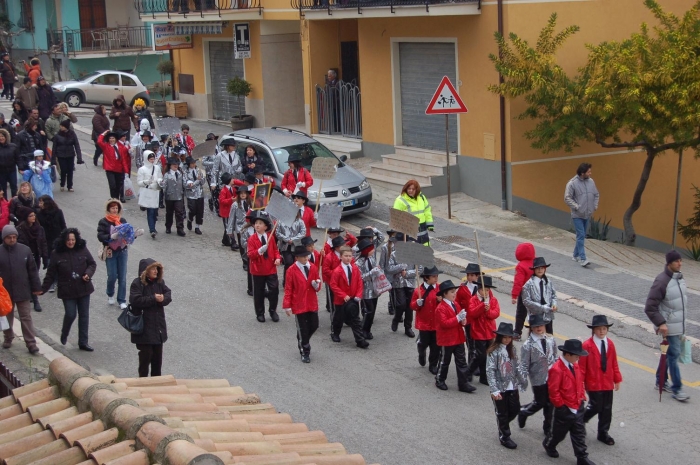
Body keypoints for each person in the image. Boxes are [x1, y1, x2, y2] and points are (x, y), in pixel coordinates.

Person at [644, 250, 689, 402]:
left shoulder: (680, 279)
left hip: (678, 326)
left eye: (681, 260)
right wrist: (661, 323)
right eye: (677, 261)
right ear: (669, 263)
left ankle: (661, 381)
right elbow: (650, 306)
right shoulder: (662, 281)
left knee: (670, 355)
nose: (680, 263)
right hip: (668, 327)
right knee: (674, 356)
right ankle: (677, 388)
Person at [41, 228, 96, 351]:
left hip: (83, 288)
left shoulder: (82, 249)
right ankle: (64, 332)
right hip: (67, 290)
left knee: (84, 315)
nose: (71, 242)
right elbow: (50, 274)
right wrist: (43, 289)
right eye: (68, 240)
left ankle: (83, 342)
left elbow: (92, 264)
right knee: (71, 314)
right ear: (64, 240)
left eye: (73, 240)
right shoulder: (56, 253)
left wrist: (88, 274)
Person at [543, 339, 596, 465]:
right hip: (565, 408)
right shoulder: (556, 369)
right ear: (568, 355)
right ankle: (549, 444)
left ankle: (582, 457)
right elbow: (553, 391)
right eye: (576, 355)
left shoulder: (574, 365)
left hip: (577, 405)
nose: (578, 358)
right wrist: (560, 406)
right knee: (558, 433)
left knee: (579, 433)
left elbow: (579, 382)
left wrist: (581, 395)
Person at [579, 315, 622, 445]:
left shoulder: (610, 344)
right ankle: (580, 420)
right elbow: (581, 367)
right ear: (593, 330)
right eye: (598, 329)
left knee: (607, 409)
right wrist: (580, 384)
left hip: (607, 382)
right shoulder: (587, 345)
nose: (602, 331)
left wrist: (617, 379)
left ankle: (603, 433)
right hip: (593, 382)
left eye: (604, 328)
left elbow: (613, 362)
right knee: (596, 406)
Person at [0, 224, 41, 353]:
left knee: (26, 317)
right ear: (4, 238)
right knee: (7, 316)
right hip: (5, 292)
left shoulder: (25, 250)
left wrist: (36, 288)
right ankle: (8, 337)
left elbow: (32, 271)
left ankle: (31, 343)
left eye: (14, 237)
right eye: (9, 237)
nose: (12, 240)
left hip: (22, 290)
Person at [129, 258, 172, 378]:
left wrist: (163, 298)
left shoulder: (159, 283)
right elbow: (135, 300)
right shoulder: (137, 284)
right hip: (144, 330)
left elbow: (168, 294)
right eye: (152, 269)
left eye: (156, 269)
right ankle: (142, 386)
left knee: (157, 363)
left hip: (158, 329)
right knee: (145, 360)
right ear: (145, 271)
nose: (155, 271)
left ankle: (156, 388)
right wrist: (153, 298)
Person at [487, 322, 526, 449]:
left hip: (512, 386)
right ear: (499, 337)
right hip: (499, 387)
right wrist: (494, 389)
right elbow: (490, 370)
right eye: (504, 337)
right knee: (502, 412)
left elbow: (517, 366)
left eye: (509, 337)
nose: (507, 340)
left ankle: (502, 424)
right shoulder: (493, 351)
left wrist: (522, 380)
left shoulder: (512, 349)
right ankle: (504, 436)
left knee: (515, 409)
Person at [97, 199, 142, 310]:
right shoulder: (103, 221)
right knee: (112, 275)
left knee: (122, 276)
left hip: (122, 250)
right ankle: (110, 293)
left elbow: (128, 235)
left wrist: (135, 234)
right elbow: (100, 236)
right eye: (112, 208)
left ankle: (121, 300)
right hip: (110, 251)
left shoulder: (122, 220)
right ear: (108, 209)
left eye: (116, 208)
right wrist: (110, 237)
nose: (115, 210)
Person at [518, 314, 557, 436]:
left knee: (550, 403)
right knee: (540, 401)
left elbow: (555, 357)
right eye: (535, 326)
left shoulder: (551, 340)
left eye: (540, 325)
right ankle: (524, 412)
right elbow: (524, 364)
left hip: (552, 376)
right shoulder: (528, 345)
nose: (539, 328)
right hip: (537, 378)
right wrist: (522, 380)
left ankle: (548, 427)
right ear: (531, 328)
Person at [434, 280, 476, 393]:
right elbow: (444, 323)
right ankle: (440, 379)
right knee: (444, 362)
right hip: (447, 340)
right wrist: (458, 318)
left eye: (454, 291)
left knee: (461, 362)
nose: (454, 294)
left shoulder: (455, 304)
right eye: (452, 292)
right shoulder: (440, 308)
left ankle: (463, 384)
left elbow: (461, 321)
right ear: (444, 294)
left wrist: (463, 320)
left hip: (458, 338)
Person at [283, 245, 321, 363]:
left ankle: (302, 339)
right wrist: (287, 305)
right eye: (303, 256)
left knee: (314, 325)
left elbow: (317, 284)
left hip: (311, 302)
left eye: (307, 255)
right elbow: (288, 288)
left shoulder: (313, 267)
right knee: (303, 328)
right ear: (297, 257)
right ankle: (305, 351)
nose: (306, 258)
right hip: (299, 303)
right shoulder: (291, 270)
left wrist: (316, 284)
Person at [329, 245, 368, 348]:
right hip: (341, 300)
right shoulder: (337, 271)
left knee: (355, 320)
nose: (348, 258)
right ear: (341, 257)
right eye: (346, 256)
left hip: (353, 298)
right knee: (339, 318)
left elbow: (359, 282)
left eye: (350, 256)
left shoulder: (355, 268)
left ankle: (360, 340)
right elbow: (333, 285)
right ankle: (335, 333)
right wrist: (343, 295)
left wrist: (359, 295)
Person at [248, 212, 281, 323]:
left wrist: (278, 258)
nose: (257, 225)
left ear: (265, 226)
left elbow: (275, 250)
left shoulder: (270, 237)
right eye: (256, 223)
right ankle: (260, 313)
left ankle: (273, 310)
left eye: (260, 223)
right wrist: (259, 251)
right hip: (258, 270)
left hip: (270, 268)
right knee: (258, 293)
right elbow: (250, 254)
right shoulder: (252, 239)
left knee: (274, 290)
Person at [467, 275, 501, 386]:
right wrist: (482, 307)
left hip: (490, 332)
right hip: (478, 332)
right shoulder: (474, 299)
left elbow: (495, 314)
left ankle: (484, 376)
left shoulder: (493, 300)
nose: (485, 292)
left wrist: (488, 311)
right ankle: (469, 371)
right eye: (482, 290)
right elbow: (472, 313)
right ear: (478, 289)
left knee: (488, 355)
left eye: (487, 290)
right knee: (480, 355)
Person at [564, 162, 599, 267]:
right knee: (581, 235)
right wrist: (576, 206)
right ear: (582, 173)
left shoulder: (591, 182)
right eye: (589, 171)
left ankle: (575, 255)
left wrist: (595, 206)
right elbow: (567, 198)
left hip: (587, 213)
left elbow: (596, 194)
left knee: (581, 236)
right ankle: (583, 258)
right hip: (577, 215)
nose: (590, 173)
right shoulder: (572, 183)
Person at [15, 207, 48, 312]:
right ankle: (34, 299)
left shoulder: (39, 228)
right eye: (30, 216)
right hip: (25, 257)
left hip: (36, 256)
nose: (33, 217)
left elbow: (43, 243)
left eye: (34, 215)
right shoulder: (19, 229)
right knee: (30, 277)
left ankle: (32, 296)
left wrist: (45, 256)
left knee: (34, 275)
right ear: (26, 217)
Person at [411, 265, 442, 374]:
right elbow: (412, 306)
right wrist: (417, 303)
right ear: (426, 278)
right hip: (424, 323)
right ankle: (421, 350)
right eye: (433, 276)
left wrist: (441, 300)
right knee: (424, 342)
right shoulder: (418, 291)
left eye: (436, 276)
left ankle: (433, 365)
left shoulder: (440, 289)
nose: (436, 278)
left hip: (436, 323)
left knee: (436, 345)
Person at [385, 232, 416, 337]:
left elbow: (419, 269)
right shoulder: (393, 254)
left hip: (410, 283)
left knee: (409, 306)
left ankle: (408, 327)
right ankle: (396, 318)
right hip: (398, 283)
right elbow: (389, 268)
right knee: (401, 304)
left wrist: (407, 273)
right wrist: (400, 267)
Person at [355, 238, 383, 340]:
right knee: (368, 311)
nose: (374, 250)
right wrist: (372, 272)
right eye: (371, 249)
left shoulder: (371, 259)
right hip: (365, 290)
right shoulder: (359, 262)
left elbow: (376, 270)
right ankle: (363, 330)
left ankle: (368, 330)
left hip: (374, 288)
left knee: (373, 311)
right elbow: (360, 277)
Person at [36, 195, 66, 292]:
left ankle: (59, 280)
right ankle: (52, 281)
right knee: (50, 262)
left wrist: (64, 238)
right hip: (46, 241)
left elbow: (63, 226)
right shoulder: (39, 215)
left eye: (41, 202)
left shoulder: (58, 212)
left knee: (60, 262)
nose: (39, 204)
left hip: (58, 240)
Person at [521, 257, 557, 334]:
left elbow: (553, 295)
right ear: (534, 270)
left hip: (548, 316)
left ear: (545, 269)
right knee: (536, 337)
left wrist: (554, 304)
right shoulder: (528, 285)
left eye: (542, 268)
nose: (540, 270)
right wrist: (542, 308)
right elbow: (526, 301)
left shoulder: (548, 282)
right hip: (535, 316)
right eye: (537, 268)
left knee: (549, 337)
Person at [455, 263, 481, 369]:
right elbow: (457, 303)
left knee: (479, 343)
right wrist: (461, 315)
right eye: (468, 275)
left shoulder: (482, 287)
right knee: (471, 343)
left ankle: (478, 364)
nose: (470, 277)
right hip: (468, 320)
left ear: (477, 276)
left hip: (480, 320)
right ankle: (471, 364)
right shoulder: (462, 288)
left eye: (472, 275)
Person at [393, 180, 434, 245]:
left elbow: (427, 210)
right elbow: (396, 217)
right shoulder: (400, 200)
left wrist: (430, 224)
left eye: (413, 189)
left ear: (417, 190)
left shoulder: (421, 197)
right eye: (409, 188)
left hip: (422, 230)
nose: (411, 190)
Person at [97, 130, 130, 200]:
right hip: (110, 169)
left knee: (118, 186)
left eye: (113, 138)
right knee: (112, 185)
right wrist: (103, 134)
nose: (111, 140)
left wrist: (126, 171)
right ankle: (113, 197)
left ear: (116, 139)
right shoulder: (106, 146)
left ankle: (116, 198)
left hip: (119, 169)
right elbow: (99, 141)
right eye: (110, 138)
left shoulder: (121, 147)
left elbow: (124, 160)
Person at [512, 242, 536, 339]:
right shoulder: (536, 263)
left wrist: (514, 295)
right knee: (534, 313)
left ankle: (517, 332)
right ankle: (533, 333)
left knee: (521, 313)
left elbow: (518, 282)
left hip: (525, 294)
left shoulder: (521, 266)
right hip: (536, 292)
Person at [136, 151, 162, 239]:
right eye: (150, 159)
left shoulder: (157, 168)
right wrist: (146, 182)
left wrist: (158, 181)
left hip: (155, 192)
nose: (152, 161)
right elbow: (139, 182)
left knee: (155, 212)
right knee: (150, 211)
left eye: (153, 159)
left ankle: (153, 227)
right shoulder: (142, 169)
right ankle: (152, 230)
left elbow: (160, 177)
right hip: (147, 192)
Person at [276, 208, 306, 284]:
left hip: (296, 246)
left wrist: (293, 239)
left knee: (296, 263)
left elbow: (303, 233)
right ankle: (286, 281)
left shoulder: (300, 222)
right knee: (288, 262)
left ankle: (295, 280)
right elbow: (277, 233)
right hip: (285, 246)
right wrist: (286, 239)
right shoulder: (281, 221)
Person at [52, 119, 83, 192]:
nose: (61, 127)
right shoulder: (57, 135)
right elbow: (54, 148)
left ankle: (70, 186)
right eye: (61, 126)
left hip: (70, 154)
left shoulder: (72, 134)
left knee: (70, 170)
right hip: (61, 155)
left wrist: (79, 157)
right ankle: (62, 184)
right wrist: (53, 159)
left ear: (66, 127)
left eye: (62, 126)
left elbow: (76, 145)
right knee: (63, 169)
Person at [161, 157, 187, 237]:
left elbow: (184, 183)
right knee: (169, 213)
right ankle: (168, 226)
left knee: (179, 212)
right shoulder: (167, 174)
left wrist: (189, 184)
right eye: (174, 165)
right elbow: (164, 185)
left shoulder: (181, 173)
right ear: (170, 165)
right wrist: (161, 184)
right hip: (169, 196)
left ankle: (180, 228)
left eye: (177, 164)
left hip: (179, 196)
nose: (176, 166)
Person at [323, 235, 345, 315]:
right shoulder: (329, 257)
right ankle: (335, 316)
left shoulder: (346, 255)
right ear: (336, 247)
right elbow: (325, 270)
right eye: (342, 245)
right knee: (334, 300)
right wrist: (337, 274)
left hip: (344, 281)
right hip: (333, 282)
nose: (344, 246)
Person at [183, 156, 205, 235]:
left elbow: (203, 182)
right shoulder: (185, 172)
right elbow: (186, 185)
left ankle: (197, 226)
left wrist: (201, 178)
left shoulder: (198, 170)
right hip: (191, 194)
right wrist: (196, 181)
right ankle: (190, 218)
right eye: (192, 163)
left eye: (194, 163)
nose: (193, 164)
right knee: (192, 209)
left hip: (199, 193)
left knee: (199, 210)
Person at [218, 173, 237, 247]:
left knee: (228, 226)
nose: (233, 180)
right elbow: (222, 201)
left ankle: (225, 240)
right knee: (228, 226)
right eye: (232, 179)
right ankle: (233, 241)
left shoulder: (233, 189)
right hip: (225, 212)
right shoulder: (223, 190)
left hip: (231, 211)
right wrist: (231, 200)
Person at [0, 128, 18, 197]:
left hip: (12, 170)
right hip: (1, 172)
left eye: (2, 136)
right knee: (3, 189)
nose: (1, 138)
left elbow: (18, 158)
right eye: (0, 136)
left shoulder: (13, 146)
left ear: (6, 137)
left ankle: (15, 202)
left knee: (14, 187)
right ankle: (4, 204)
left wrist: (20, 167)